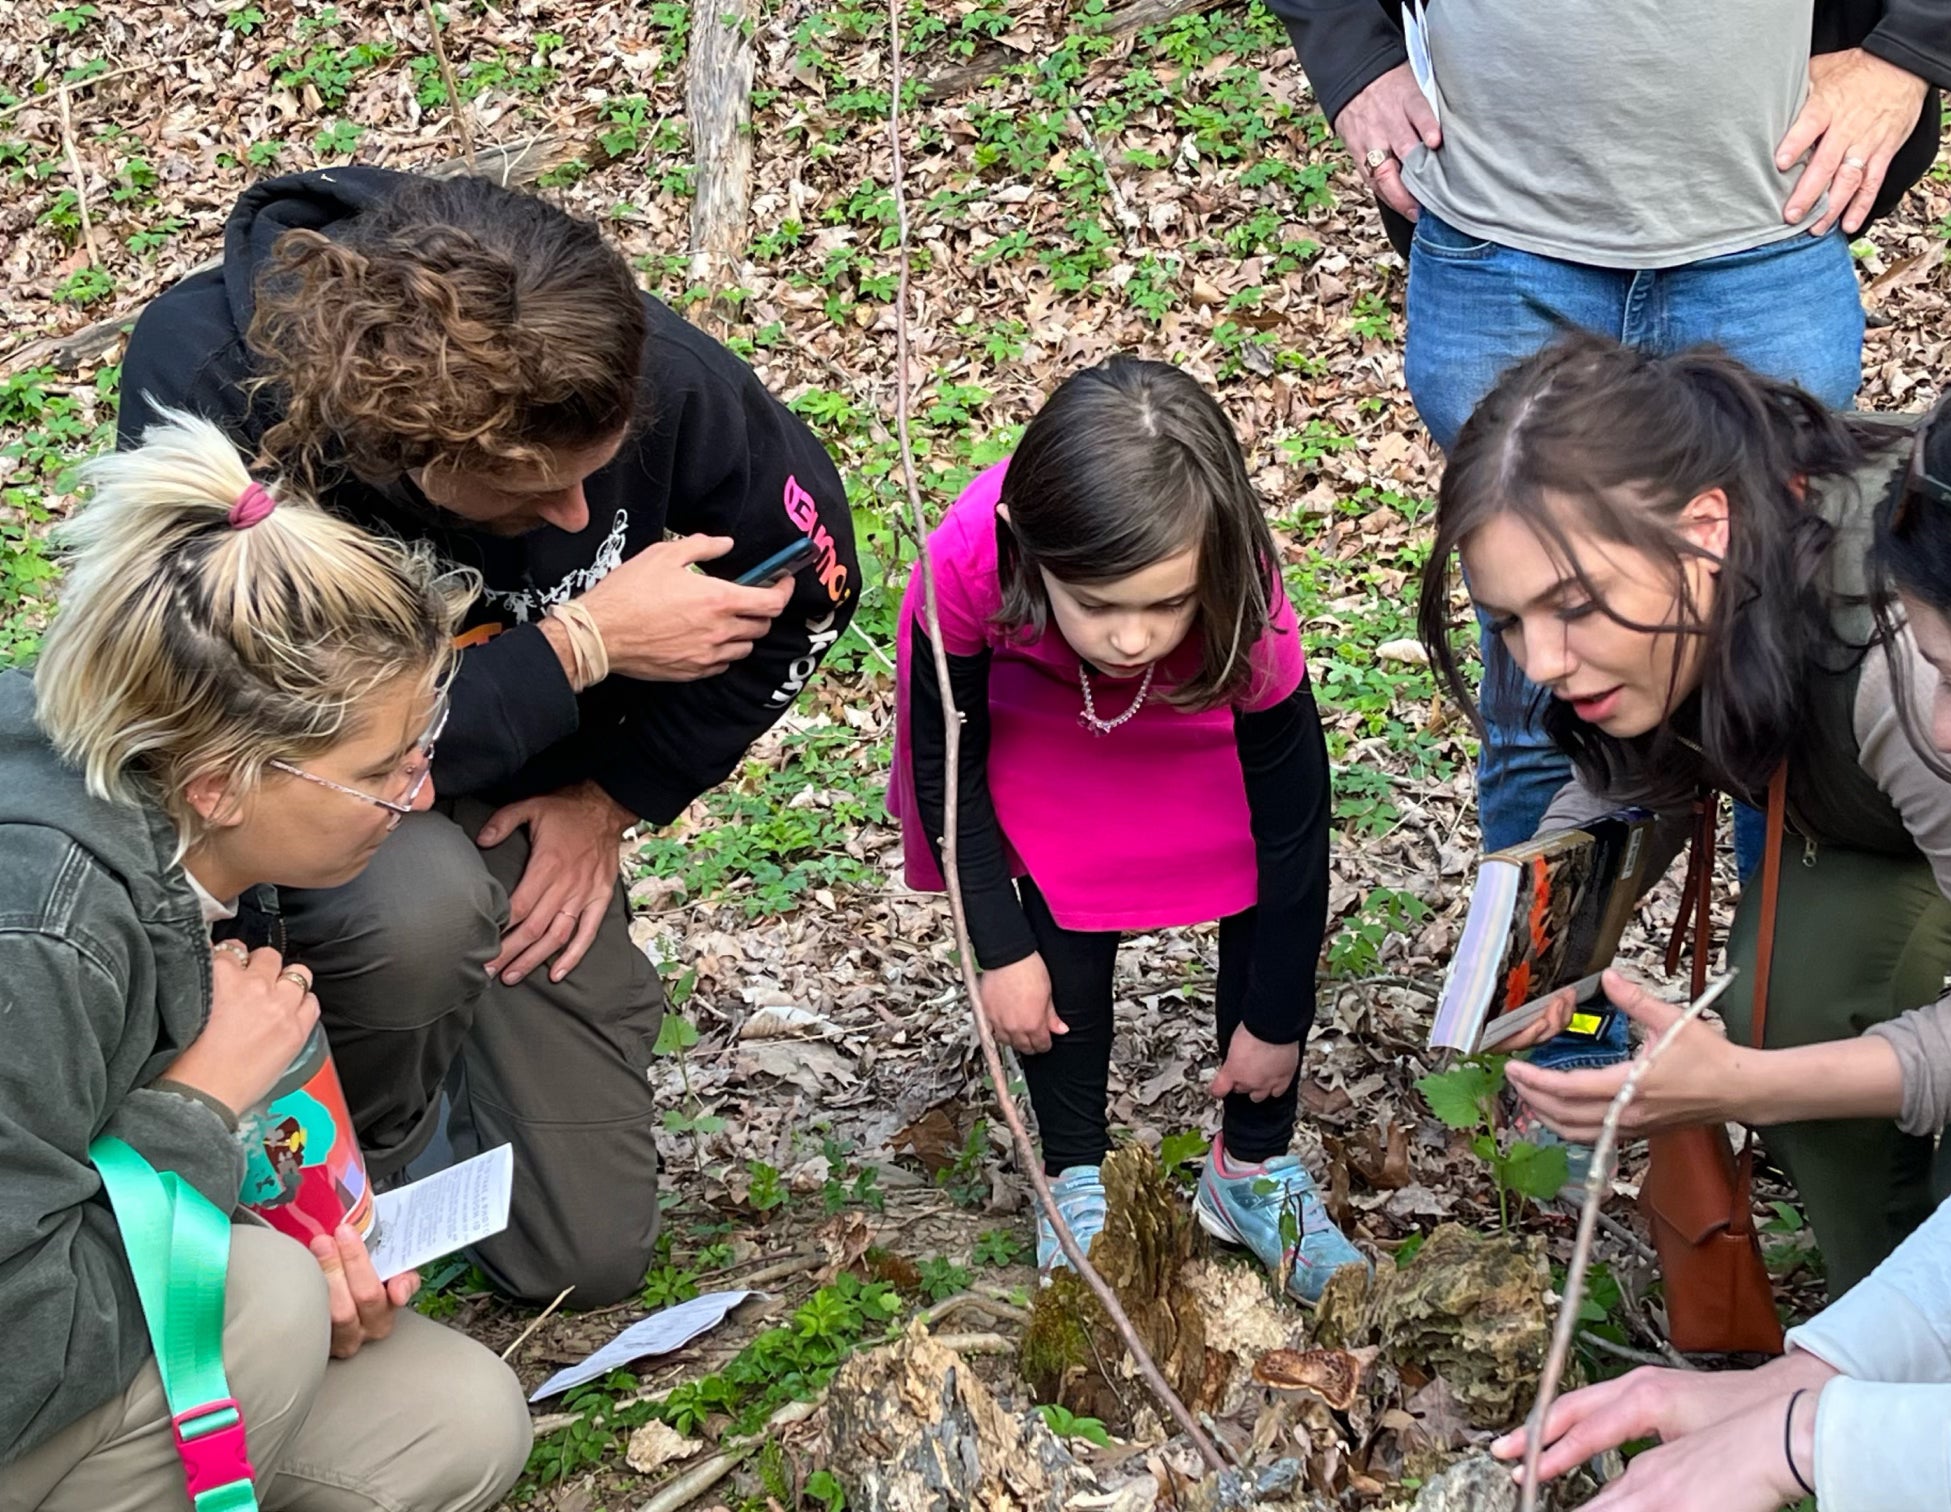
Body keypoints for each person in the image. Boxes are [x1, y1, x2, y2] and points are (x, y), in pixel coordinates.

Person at [116, 167, 858, 1305]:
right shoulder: (210, 385)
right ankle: (346, 1149)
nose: (577, 517)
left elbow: (810, 580)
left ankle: (453, 1109)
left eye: (595, 474)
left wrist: (613, 797)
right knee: (414, 910)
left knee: (582, 1258)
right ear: (411, 456)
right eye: (531, 494)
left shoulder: (618, 363)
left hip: (528, 773)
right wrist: (579, 649)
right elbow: (265, 736)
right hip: (301, 808)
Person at [1269, 0, 1951, 862]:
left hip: (1766, 222)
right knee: (1537, 697)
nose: (1549, 651)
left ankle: (1771, 984)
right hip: (1498, 230)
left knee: (1780, 661)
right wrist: (1353, 55)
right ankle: (1538, 992)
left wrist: (1910, 53)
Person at [1490, 365, 1951, 1512]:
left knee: (1845, 1060)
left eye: (1572, 607)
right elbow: (1619, 787)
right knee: (1800, 995)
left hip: (1937, 817)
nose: (1537, 661)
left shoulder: (1912, 671)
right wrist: (1534, 952)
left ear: (1706, 532)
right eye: (1511, 621)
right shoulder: (1681, 597)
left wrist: (1743, 1082)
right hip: (1869, 824)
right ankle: (1878, 1314)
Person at [0, 411, 530, 1510]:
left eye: (418, 752)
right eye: (378, 770)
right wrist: (199, 1114)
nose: (416, 797)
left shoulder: (164, 807)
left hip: (68, 1311)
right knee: (260, 1306)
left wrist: (275, 1208)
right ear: (221, 784)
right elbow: (20, 1349)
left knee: (457, 1421)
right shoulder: (41, 942)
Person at [891, 356, 1360, 1304]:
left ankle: (1250, 1173)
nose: (1133, 635)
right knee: (1066, 887)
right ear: (1028, 548)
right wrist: (999, 945)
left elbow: (1293, 827)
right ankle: (1074, 1174)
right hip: (1036, 700)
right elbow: (952, 768)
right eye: (1101, 604)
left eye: (1163, 602)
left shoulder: (1240, 597)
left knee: (1251, 875)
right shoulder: (970, 564)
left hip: (1197, 704)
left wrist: (1277, 1022)